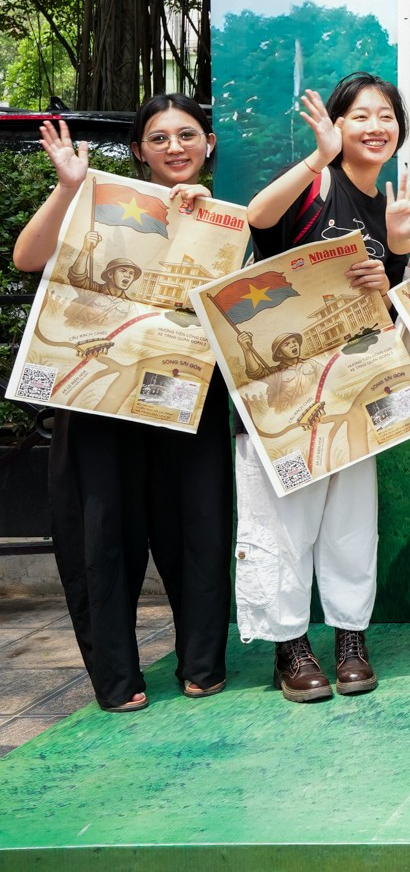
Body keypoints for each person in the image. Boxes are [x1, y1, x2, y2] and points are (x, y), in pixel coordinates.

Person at [14, 99, 233, 711]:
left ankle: (201, 664)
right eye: (158, 138)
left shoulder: (234, 220)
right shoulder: (100, 202)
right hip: (99, 398)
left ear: (208, 143)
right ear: (139, 149)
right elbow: (28, 259)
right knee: (102, 533)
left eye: (186, 135)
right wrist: (68, 188)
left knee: (199, 526)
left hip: (187, 394)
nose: (174, 147)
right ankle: (117, 680)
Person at [240, 74, 410, 701]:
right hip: (283, 388)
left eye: (387, 116)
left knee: (352, 522)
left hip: (353, 389)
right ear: (338, 125)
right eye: (360, 115)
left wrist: (395, 267)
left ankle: (351, 636)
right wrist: (316, 158)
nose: (376, 126)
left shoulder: (394, 209)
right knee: (285, 521)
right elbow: (258, 219)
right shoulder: (318, 183)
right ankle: (290, 648)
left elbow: (393, 317)